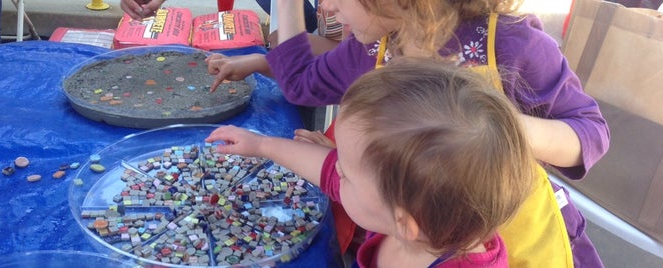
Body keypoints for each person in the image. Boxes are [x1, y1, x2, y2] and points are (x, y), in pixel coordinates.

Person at [208, 1, 611, 267]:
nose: (327, 6)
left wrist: (490, 126)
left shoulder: (511, 42)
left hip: (527, 244)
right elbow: (301, 84)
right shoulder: (374, 46)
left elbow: (590, 132)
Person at [206, 58, 538, 268]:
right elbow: (327, 169)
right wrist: (262, 144)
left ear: (404, 223)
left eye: (346, 174)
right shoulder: (410, 213)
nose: (335, 169)